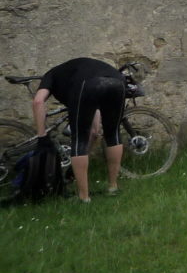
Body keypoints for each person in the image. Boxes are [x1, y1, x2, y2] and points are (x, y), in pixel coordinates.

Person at [32, 58, 127, 203]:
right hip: (117, 82)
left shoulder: (50, 75)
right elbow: (94, 130)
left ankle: (83, 197)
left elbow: (38, 101)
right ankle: (113, 187)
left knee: (79, 139)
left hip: (87, 85)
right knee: (112, 134)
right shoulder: (78, 68)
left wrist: (42, 136)